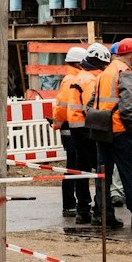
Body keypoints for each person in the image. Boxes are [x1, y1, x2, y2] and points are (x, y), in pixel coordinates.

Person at [89, 39, 132, 230]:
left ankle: (105, 215)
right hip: (120, 131)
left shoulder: (104, 73)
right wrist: (129, 127)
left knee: (103, 175)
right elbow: (128, 106)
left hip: (102, 129)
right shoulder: (125, 73)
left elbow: (91, 102)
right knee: (130, 175)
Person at [51, 46, 96, 224]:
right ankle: (70, 204)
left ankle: (72, 204)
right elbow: (62, 107)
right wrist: (58, 122)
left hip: (70, 127)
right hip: (72, 128)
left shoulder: (71, 78)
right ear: (78, 63)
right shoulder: (72, 80)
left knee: (75, 166)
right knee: (74, 166)